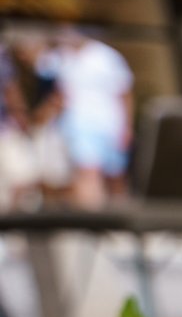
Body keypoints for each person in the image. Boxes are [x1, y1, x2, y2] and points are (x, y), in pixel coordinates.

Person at [50, 28, 134, 207]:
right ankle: (95, 217)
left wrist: (127, 126)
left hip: (110, 125)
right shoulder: (62, 58)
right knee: (88, 172)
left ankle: (118, 213)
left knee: (115, 175)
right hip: (78, 126)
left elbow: (124, 93)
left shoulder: (107, 56)